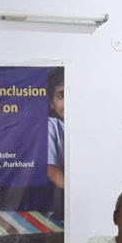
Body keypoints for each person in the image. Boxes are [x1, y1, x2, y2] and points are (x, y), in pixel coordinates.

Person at [47, 67, 65, 195]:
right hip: (62, 192)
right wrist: (75, 190)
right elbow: (50, 169)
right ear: (51, 104)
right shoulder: (50, 126)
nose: (69, 101)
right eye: (61, 96)